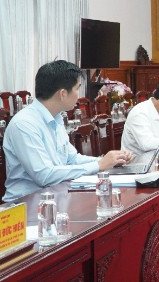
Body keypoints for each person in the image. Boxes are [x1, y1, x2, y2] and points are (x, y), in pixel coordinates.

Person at [2, 60, 132, 202]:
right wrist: (98, 165)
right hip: (25, 203)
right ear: (63, 93)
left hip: (55, 195)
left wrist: (109, 160)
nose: (78, 95)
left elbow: (72, 159)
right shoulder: (24, 124)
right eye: (77, 89)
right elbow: (44, 175)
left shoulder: (56, 118)